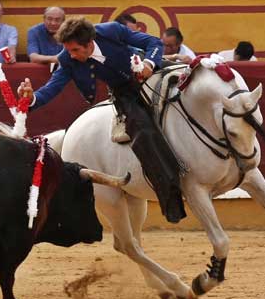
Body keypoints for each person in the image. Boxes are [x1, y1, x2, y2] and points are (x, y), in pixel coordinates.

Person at [17, 18, 187, 224]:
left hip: (152, 71)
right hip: (126, 92)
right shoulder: (68, 59)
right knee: (143, 133)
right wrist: (31, 98)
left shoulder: (111, 31)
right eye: (69, 50)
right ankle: (170, 194)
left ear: (89, 44)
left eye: (75, 49)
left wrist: (149, 64)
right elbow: (52, 87)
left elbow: (154, 43)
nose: (71, 54)